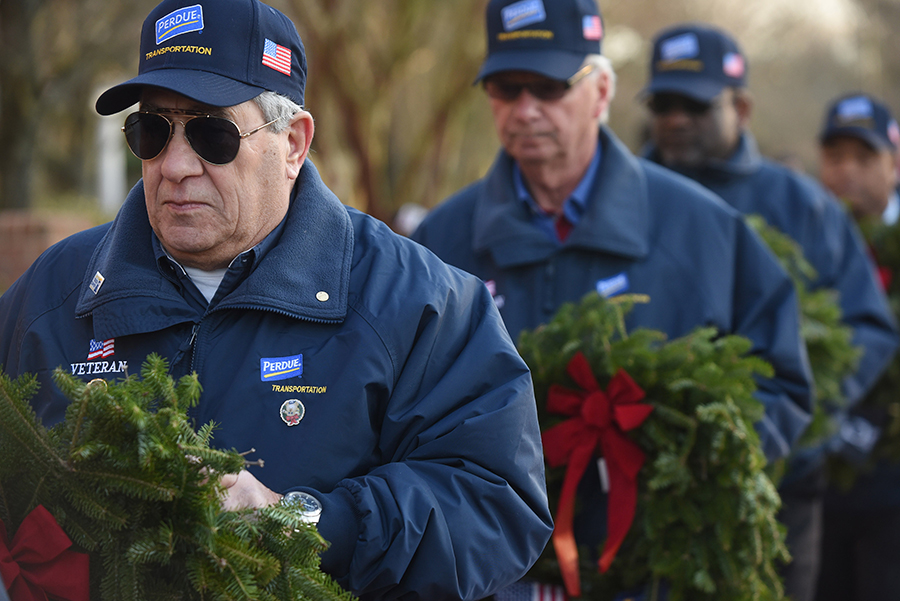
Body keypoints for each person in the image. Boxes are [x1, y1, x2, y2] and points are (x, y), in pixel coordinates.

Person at [0, 0, 554, 599]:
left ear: (293, 143)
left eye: (213, 134)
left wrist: (297, 520)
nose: (176, 165)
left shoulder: (417, 302)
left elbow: (497, 506)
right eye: (152, 131)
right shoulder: (54, 293)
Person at [412, 0, 813, 597]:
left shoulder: (704, 229)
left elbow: (781, 380)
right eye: (504, 87)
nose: (525, 110)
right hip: (495, 578)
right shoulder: (439, 243)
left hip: (661, 570)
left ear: (601, 92)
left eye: (549, 87)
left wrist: (696, 457)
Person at [640, 24, 899, 601]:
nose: (676, 118)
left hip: (782, 483)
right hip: (641, 485)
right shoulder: (622, 197)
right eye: (663, 103)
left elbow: (868, 325)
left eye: (695, 104)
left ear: (744, 107)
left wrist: (801, 416)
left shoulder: (800, 204)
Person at [814, 92, 900, 601]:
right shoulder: (799, 249)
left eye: (863, 158)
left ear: (894, 165)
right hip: (820, 486)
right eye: (834, 157)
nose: (846, 172)